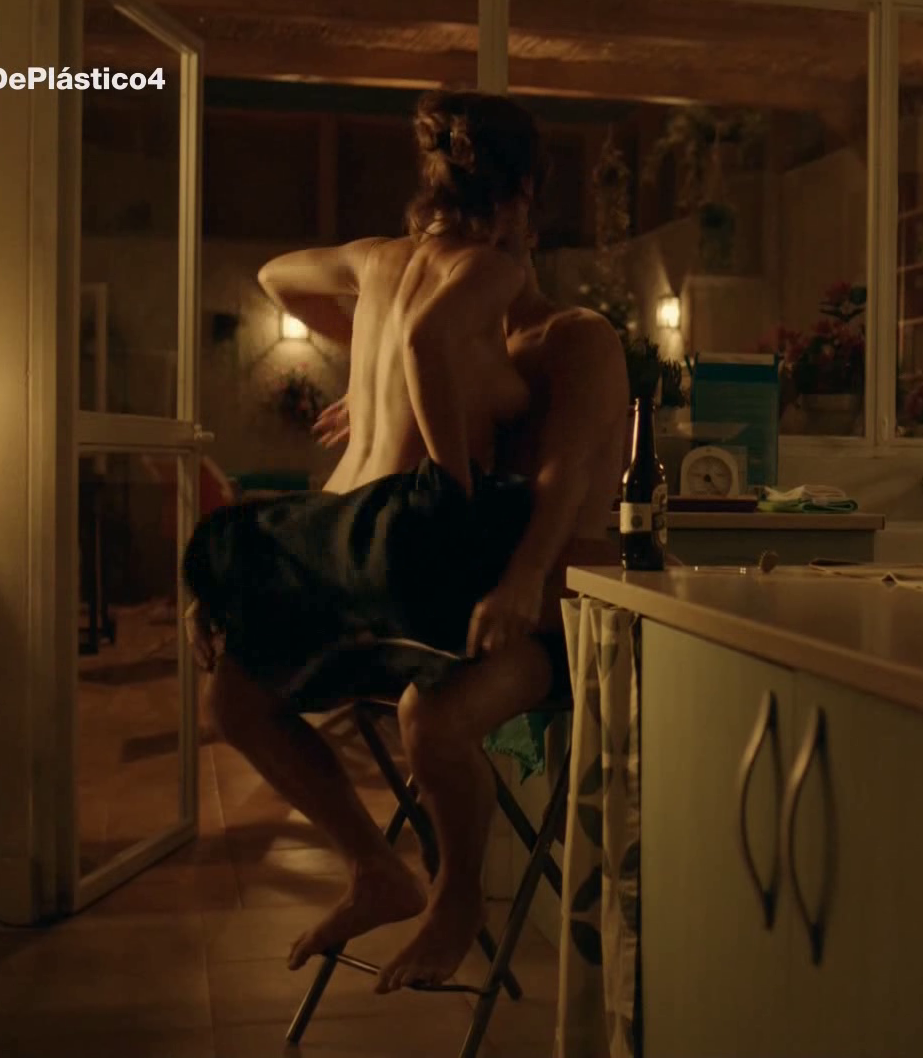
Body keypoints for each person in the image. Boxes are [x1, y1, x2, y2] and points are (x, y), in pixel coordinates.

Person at [184, 91, 628, 992]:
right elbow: (395, 465)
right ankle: (374, 868)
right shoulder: (471, 353)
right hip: (440, 599)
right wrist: (252, 593)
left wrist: (520, 582)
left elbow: (563, 477)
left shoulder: (573, 338)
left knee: (433, 715)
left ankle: (458, 898)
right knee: (233, 696)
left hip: (545, 612)